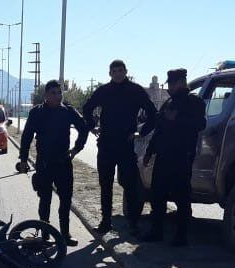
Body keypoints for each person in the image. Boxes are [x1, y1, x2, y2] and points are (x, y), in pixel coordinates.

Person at [82, 60, 157, 234]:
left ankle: (133, 223)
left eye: (120, 70)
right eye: (114, 71)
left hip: (126, 144)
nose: (117, 73)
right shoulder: (104, 91)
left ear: (126, 72)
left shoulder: (136, 91)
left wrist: (142, 132)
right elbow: (87, 108)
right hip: (107, 143)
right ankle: (105, 222)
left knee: (130, 185)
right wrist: (92, 125)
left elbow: (153, 114)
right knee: (105, 184)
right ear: (110, 73)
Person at [19, 80, 89, 246]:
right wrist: (23, 159)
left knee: (66, 200)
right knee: (45, 200)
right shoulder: (37, 112)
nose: (57, 96)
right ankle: (45, 234)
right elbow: (27, 136)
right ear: (46, 95)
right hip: (44, 163)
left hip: (64, 162)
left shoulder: (68, 111)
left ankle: (65, 234)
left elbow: (83, 128)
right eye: (53, 93)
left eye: (59, 93)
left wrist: (77, 149)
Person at [141, 69, 207, 246]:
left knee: (182, 197)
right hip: (163, 156)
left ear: (180, 83)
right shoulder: (168, 102)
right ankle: (157, 231)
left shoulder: (194, 102)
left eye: (171, 83)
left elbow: (201, 124)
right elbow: (159, 129)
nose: (169, 87)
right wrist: (149, 151)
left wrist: (178, 118)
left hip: (182, 156)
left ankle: (181, 236)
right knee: (157, 195)